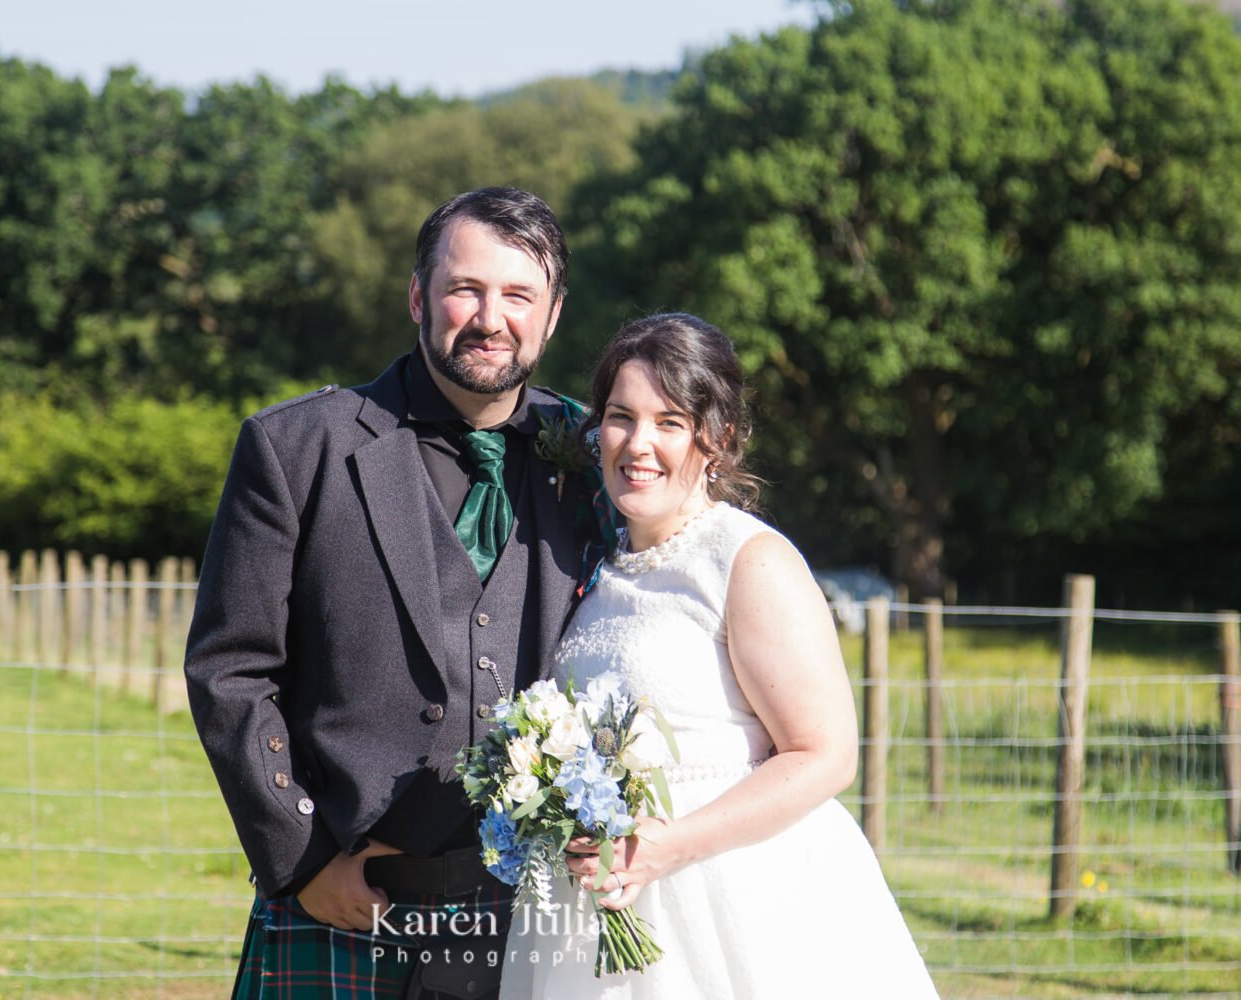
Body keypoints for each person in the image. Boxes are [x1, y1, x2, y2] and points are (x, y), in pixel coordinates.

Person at [185, 187, 599, 999]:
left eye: (518, 295)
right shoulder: (297, 447)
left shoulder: (594, 456)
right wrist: (302, 862)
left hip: (538, 915)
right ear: (419, 296)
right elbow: (229, 672)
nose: (490, 317)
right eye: (465, 289)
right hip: (344, 901)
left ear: (551, 316)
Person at [499, 313, 938, 998]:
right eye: (620, 417)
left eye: (670, 422)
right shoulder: (598, 569)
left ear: (719, 440)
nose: (638, 444)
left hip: (733, 897)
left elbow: (824, 754)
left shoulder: (747, 561)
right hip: (593, 911)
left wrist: (667, 845)